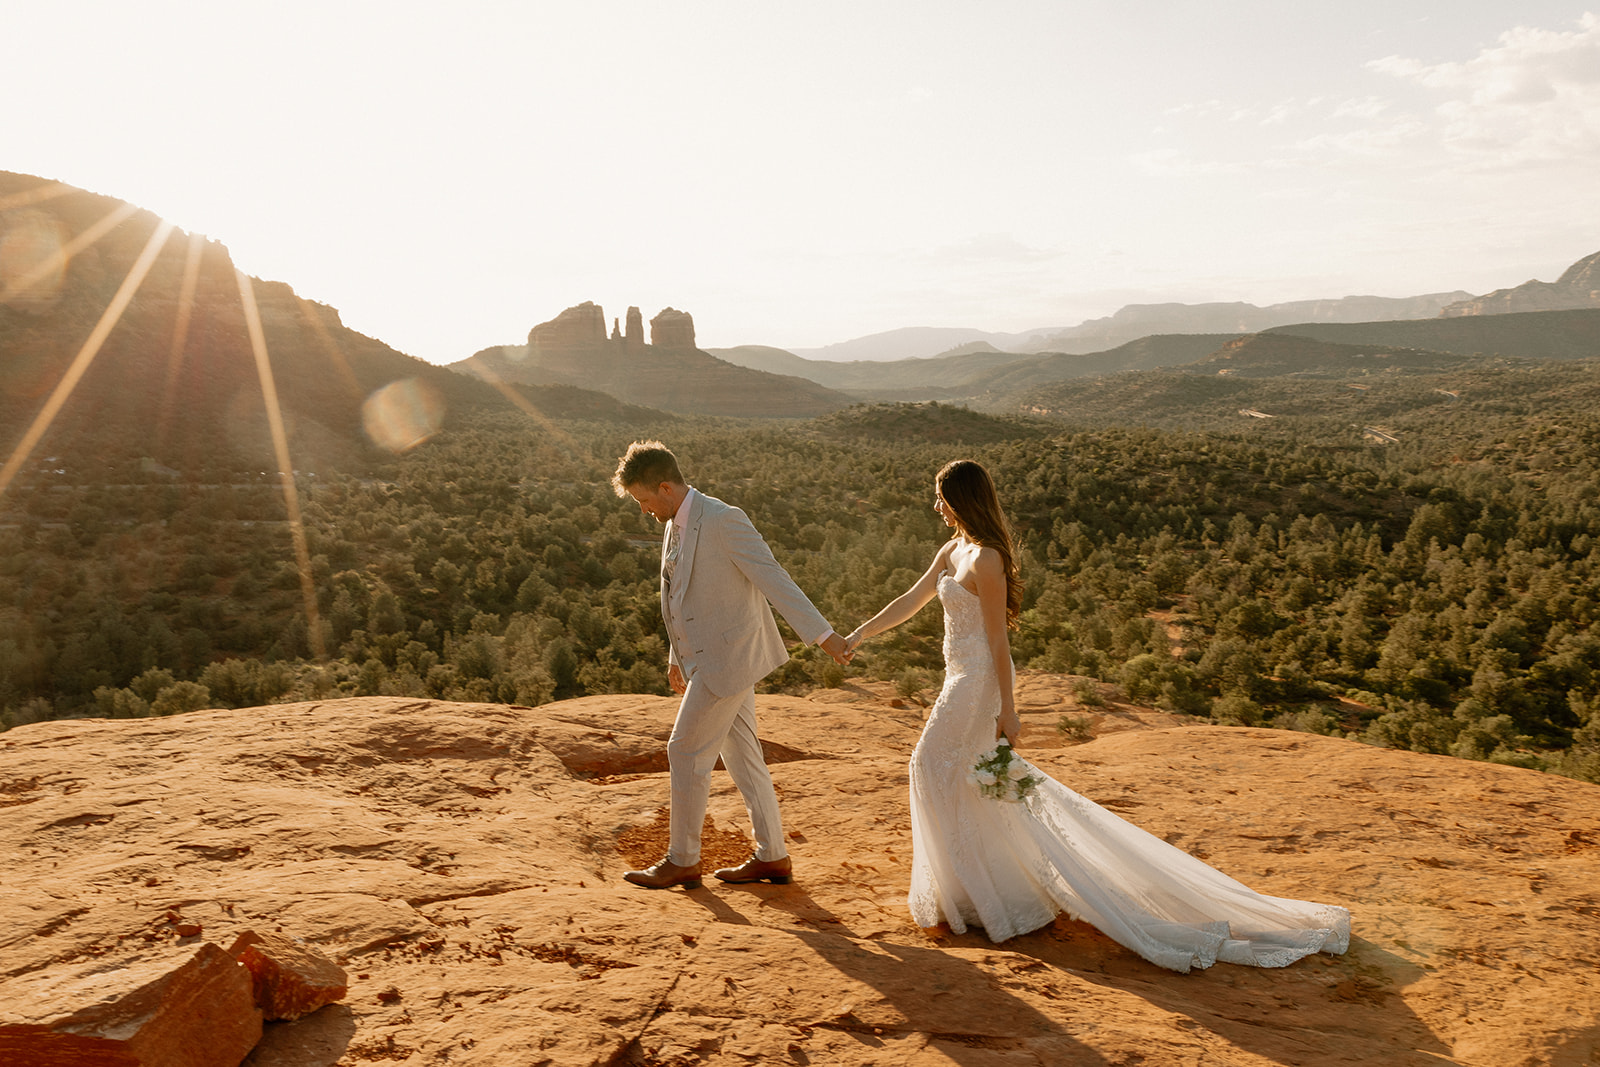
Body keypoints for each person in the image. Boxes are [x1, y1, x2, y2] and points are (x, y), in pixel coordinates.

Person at [845, 459, 1350, 972]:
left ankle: (987, 895)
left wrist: (1010, 710)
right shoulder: (952, 550)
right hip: (957, 678)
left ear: (962, 500)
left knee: (932, 766)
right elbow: (912, 599)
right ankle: (984, 893)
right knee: (958, 777)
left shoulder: (989, 559)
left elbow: (998, 640)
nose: (936, 507)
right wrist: (858, 634)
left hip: (978, 686)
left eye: (941, 498)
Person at [612, 441, 853, 890]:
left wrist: (825, 636)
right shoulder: (674, 522)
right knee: (743, 759)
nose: (643, 509)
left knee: (684, 750)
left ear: (665, 487)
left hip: (728, 659)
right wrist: (675, 655)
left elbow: (774, 578)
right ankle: (773, 856)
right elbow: (675, 592)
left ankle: (683, 858)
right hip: (704, 660)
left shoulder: (724, 520)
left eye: (644, 500)